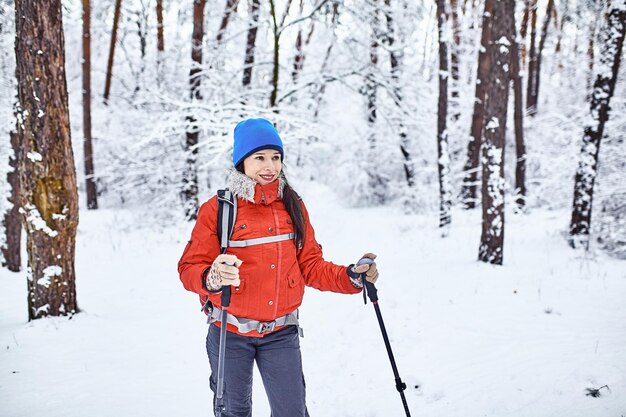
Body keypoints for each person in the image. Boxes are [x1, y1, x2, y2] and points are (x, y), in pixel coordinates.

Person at [178, 118, 379, 417]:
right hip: (229, 334)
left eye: (275, 157)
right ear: (242, 162)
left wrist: (351, 277)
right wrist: (213, 277)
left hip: (281, 333)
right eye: (259, 157)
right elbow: (189, 267)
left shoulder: (292, 205)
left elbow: (310, 265)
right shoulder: (219, 209)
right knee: (234, 412)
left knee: (292, 413)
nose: (269, 166)